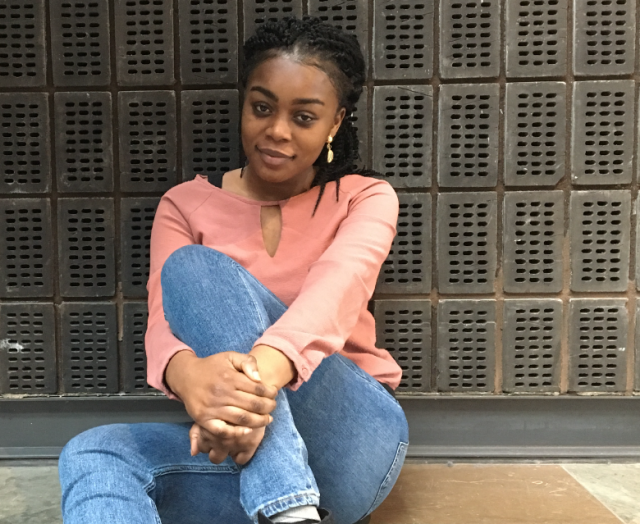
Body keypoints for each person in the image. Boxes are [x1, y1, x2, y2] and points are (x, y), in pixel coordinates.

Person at [59, 17, 408, 524]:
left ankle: (288, 506)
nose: (277, 131)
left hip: (351, 440)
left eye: (304, 117)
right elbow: (161, 328)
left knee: (197, 269)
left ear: (335, 123)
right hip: (240, 451)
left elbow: (333, 295)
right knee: (94, 453)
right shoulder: (185, 205)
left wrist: (243, 393)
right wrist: (195, 382)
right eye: (261, 108)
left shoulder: (365, 198)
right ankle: (291, 511)